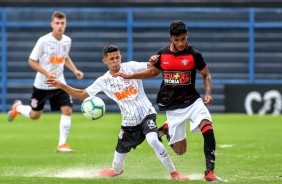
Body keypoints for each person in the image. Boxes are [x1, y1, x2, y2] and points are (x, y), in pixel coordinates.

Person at [46, 44, 188, 180]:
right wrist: (61, 85)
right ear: (105, 61)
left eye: (117, 58)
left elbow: (151, 66)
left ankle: (174, 173)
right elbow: (82, 95)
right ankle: (119, 167)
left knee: (153, 141)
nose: (115, 61)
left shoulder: (130, 67)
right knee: (117, 168)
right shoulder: (103, 80)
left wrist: (153, 61)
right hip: (128, 123)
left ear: (120, 57)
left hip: (146, 114)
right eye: (111, 59)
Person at [113, 21, 223, 182]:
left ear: (187, 36)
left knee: (207, 127)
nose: (180, 43)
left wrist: (208, 94)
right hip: (172, 105)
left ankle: (209, 172)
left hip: (192, 101)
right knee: (180, 151)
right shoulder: (162, 55)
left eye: (183, 39)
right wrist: (128, 76)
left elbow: (206, 75)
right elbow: (152, 72)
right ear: (171, 37)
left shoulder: (194, 55)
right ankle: (166, 128)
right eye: (177, 39)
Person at [7, 11, 84, 152]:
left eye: (62, 23)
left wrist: (75, 70)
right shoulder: (43, 41)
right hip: (42, 85)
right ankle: (18, 108)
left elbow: (65, 57)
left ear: (65, 25)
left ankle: (62, 144)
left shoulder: (67, 40)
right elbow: (31, 61)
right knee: (35, 115)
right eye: (57, 23)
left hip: (59, 82)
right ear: (52, 24)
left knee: (67, 109)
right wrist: (46, 73)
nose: (60, 26)